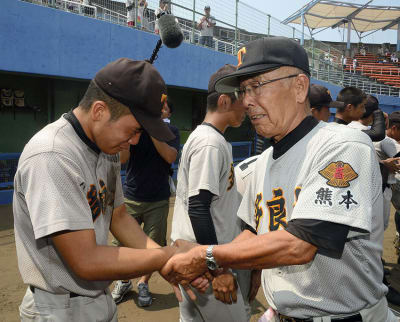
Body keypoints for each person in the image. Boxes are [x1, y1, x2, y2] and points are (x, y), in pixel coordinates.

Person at [162, 37, 397, 321]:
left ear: (299, 87)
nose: (247, 101)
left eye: (256, 86)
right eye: (243, 90)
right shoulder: (262, 163)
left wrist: (205, 256)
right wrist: (212, 268)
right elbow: (251, 233)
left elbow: (300, 245)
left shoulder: (342, 143)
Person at [13, 58, 204, 322]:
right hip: (58, 308)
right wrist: (165, 256)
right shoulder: (53, 155)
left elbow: (119, 216)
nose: (135, 140)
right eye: (134, 130)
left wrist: (161, 261)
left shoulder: (107, 148)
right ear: (99, 111)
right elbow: (86, 260)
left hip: (98, 299)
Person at [170, 64, 260, 322]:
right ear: (224, 101)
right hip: (204, 261)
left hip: (199, 256)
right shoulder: (210, 142)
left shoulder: (212, 139)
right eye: (241, 99)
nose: (246, 106)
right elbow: (198, 207)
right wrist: (217, 269)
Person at [111, 95, 180, 307]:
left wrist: (154, 131)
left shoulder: (171, 132)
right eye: (157, 106)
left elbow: (170, 157)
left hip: (158, 199)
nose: (161, 109)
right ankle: (123, 282)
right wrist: (132, 130)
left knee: (155, 246)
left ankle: (143, 283)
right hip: (131, 196)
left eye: (165, 107)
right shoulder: (136, 129)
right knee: (121, 243)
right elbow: (123, 160)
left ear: (168, 113)